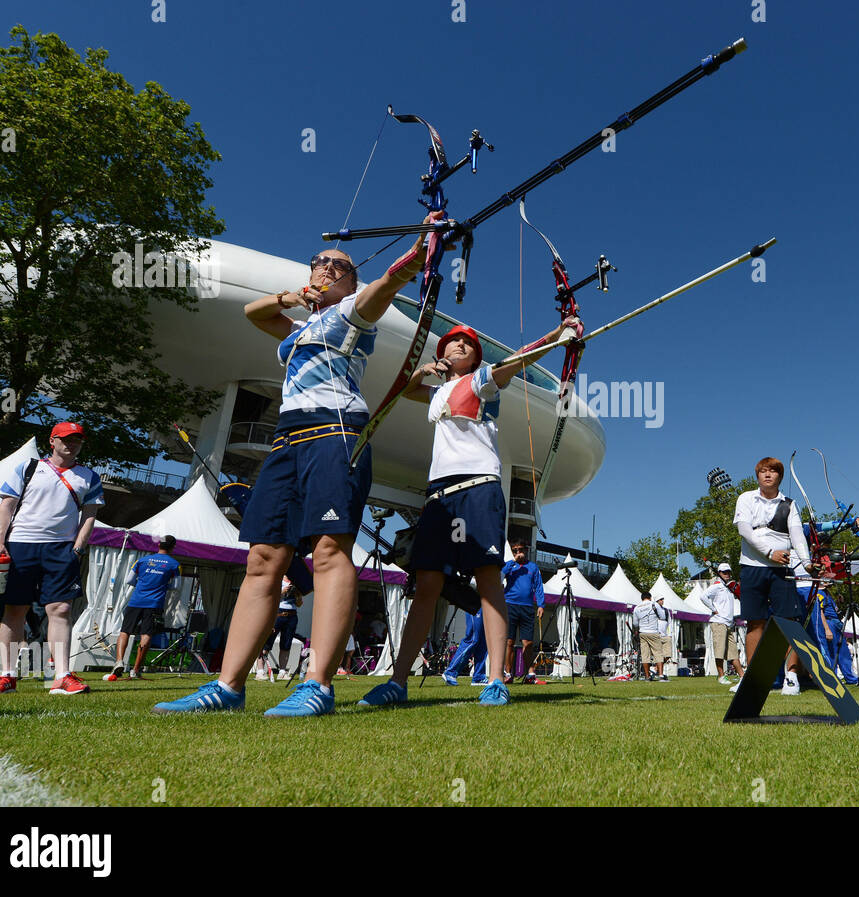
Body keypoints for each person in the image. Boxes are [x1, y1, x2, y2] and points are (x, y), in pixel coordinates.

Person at [155, 220, 438, 716]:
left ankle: (318, 684)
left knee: (329, 551)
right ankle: (228, 686)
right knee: (263, 557)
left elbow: (386, 286)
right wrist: (291, 297)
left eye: (341, 266)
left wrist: (418, 254)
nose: (328, 268)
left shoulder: (353, 313)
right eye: (320, 262)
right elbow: (253, 311)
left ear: (352, 282)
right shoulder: (300, 326)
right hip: (287, 440)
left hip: (336, 432)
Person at [358, 312, 579, 709]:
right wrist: (422, 371)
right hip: (440, 495)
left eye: (468, 344)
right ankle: (398, 681)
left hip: (478, 488)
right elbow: (402, 392)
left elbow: (518, 361)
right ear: (441, 352)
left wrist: (558, 335)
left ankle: (495, 680)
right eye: (451, 342)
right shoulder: (437, 392)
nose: (459, 345)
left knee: (488, 578)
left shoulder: (481, 381)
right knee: (427, 584)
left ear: (476, 357)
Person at [0, 421, 102, 696]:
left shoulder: (89, 477)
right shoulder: (29, 468)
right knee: (14, 610)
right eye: (66, 439)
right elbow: (6, 507)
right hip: (21, 545)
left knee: (61, 610)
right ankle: (7, 676)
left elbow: (90, 515)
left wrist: (77, 548)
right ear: (52, 441)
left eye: (77, 440)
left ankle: (61, 677)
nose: (71, 444)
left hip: (62, 550)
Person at [732, 457, 815, 695]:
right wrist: (770, 552)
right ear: (757, 476)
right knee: (754, 622)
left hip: (782, 570)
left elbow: (798, 535)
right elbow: (744, 530)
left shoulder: (789, 504)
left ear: (780, 476)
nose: (768, 475)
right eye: (763, 471)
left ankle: (791, 677)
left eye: (773, 471)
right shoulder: (746, 498)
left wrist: (807, 563)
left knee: (789, 623)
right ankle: (752, 677)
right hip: (751, 566)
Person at [106, 535, 181, 681]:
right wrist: (163, 586)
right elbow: (176, 587)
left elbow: (129, 580)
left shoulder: (142, 560)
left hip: (135, 601)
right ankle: (135, 670)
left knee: (125, 631)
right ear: (173, 547)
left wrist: (141, 585)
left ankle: (119, 661)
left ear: (159, 544)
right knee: (146, 634)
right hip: (154, 604)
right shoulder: (174, 564)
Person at [500, 541, 544, 684]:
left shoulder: (533, 567)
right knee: (509, 642)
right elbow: (501, 574)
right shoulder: (509, 565)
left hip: (527, 607)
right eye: (515, 550)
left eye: (520, 550)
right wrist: (513, 561)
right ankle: (508, 673)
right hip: (510, 605)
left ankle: (530, 675)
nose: (518, 552)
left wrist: (541, 605)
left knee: (528, 643)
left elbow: (538, 587)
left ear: (526, 550)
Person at [699, 563, 743, 684]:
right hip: (718, 622)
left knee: (733, 652)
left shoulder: (728, 586)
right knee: (719, 651)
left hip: (728, 623)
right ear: (719, 573)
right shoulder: (717, 585)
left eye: (728, 572)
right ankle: (721, 676)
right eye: (724, 572)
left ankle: (742, 676)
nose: (727, 574)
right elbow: (703, 596)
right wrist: (713, 609)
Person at [255, 578, 303, 680]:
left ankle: (282, 671)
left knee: (286, 644)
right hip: (277, 613)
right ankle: (260, 671)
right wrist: (282, 591)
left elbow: (299, 604)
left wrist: (297, 596)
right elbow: (268, 596)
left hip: (292, 615)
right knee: (267, 642)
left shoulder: (296, 583)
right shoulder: (277, 579)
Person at [442, 607, 488, 686]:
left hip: (487, 604)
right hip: (475, 601)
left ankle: (479, 677)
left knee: (482, 642)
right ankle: (450, 672)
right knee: (473, 639)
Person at [632, 591, 667, 681]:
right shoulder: (654, 604)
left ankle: (647, 676)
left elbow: (635, 623)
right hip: (653, 632)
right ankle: (661, 675)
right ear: (650, 598)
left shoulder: (637, 608)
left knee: (645, 655)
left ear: (642, 598)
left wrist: (637, 632)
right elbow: (662, 616)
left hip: (642, 633)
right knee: (658, 653)